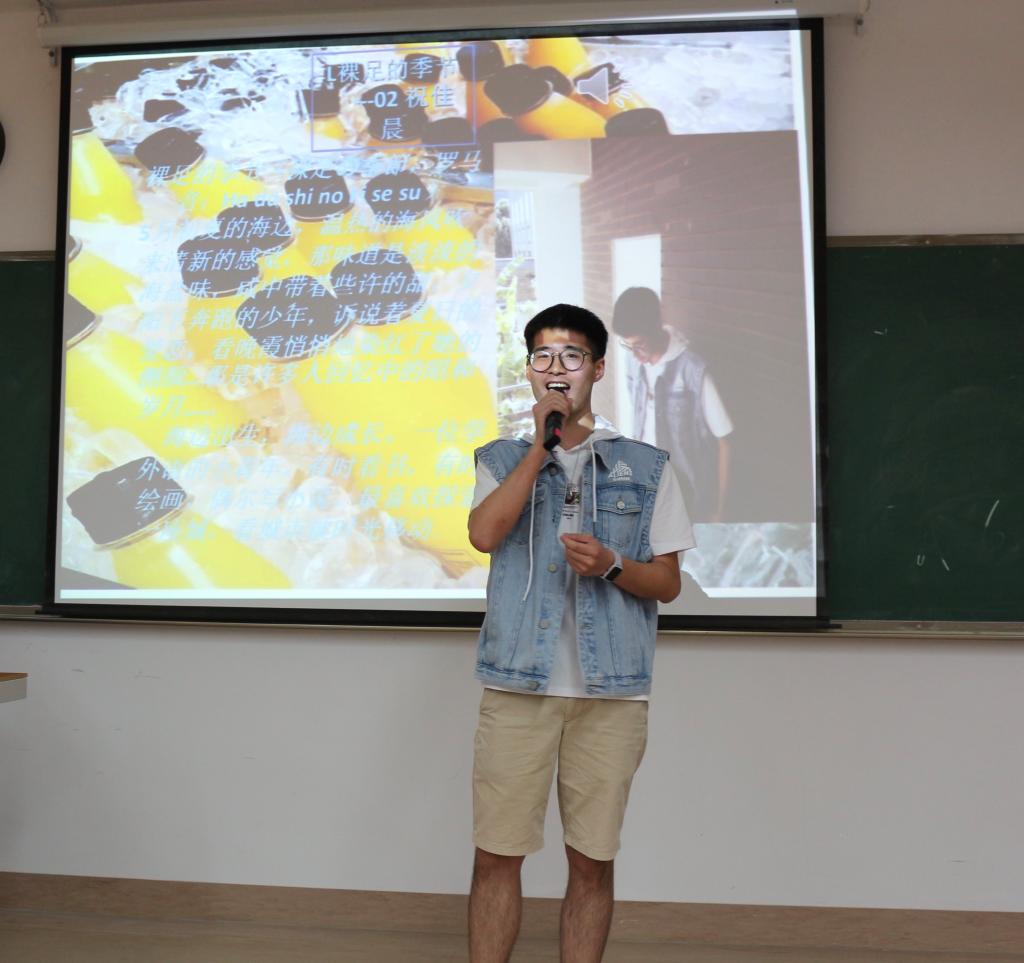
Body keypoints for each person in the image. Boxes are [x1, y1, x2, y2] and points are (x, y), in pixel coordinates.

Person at [466, 303, 695, 962]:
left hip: (611, 694)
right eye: (542, 356)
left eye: (571, 355)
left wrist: (613, 565)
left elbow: (668, 582)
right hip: (518, 686)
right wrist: (542, 447)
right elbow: (484, 534)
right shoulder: (502, 457)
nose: (556, 367)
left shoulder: (646, 467)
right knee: (495, 855)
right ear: (529, 371)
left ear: (597, 367)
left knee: (592, 861)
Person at [612, 286, 733, 523]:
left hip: (686, 500)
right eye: (628, 346)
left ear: (656, 327)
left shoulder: (693, 371)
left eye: (640, 345)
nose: (634, 355)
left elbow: (724, 441)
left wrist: (719, 511)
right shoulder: (634, 361)